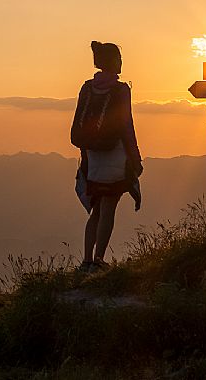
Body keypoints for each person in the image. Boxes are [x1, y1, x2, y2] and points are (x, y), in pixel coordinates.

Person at [71, 40, 143, 271]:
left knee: (97, 209)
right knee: (109, 207)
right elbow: (126, 125)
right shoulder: (121, 90)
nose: (122, 63)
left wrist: (86, 155)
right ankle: (100, 261)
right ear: (114, 62)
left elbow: (82, 123)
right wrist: (135, 157)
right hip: (115, 154)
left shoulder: (87, 87)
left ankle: (86, 259)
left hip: (92, 156)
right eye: (120, 59)